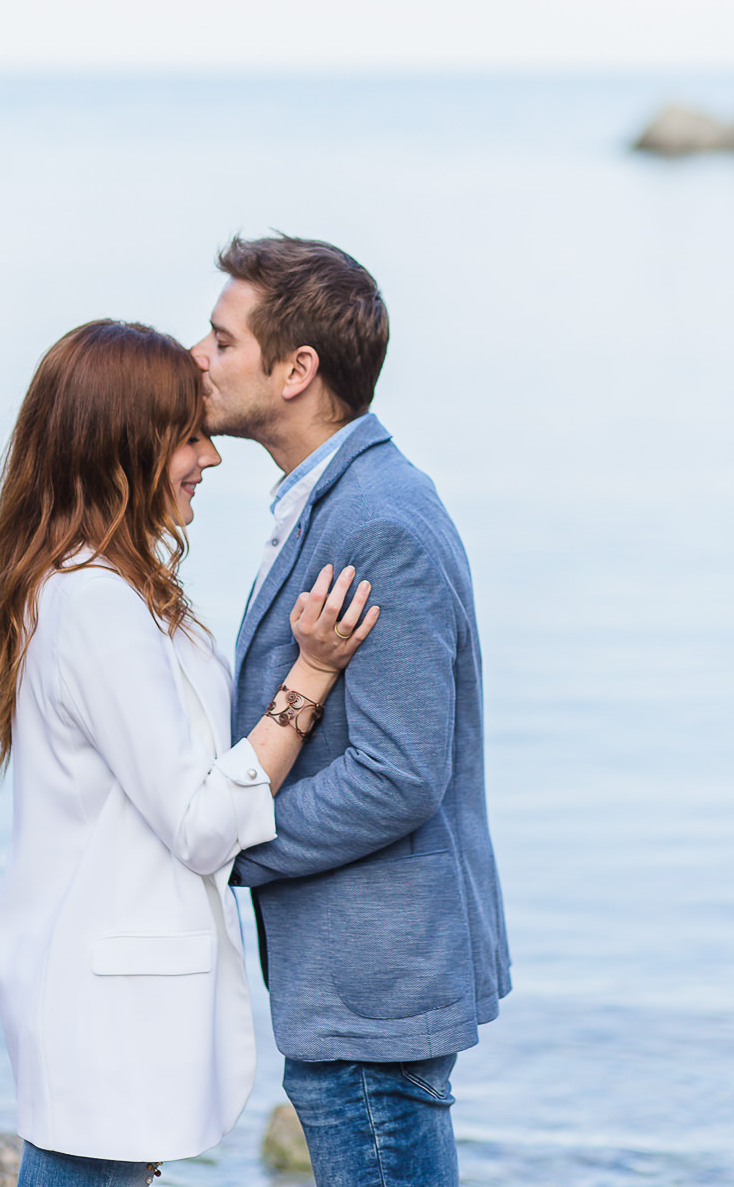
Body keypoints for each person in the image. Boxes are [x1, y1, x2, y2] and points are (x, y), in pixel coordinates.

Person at [0, 320, 380, 1186]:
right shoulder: (94, 602)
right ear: (126, 446)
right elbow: (201, 824)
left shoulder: (107, 587)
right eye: (188, 436)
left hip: (106, 1004)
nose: (212, 455)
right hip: (100, 1011)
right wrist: (311, 676)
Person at [190, 234, 508, 1187]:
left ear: (297, 370)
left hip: (378, 981)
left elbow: (400, 770)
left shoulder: (375, 517)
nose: (197, 357)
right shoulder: (331, 496)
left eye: (220, 340)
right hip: (351, 979)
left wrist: (235, 838)